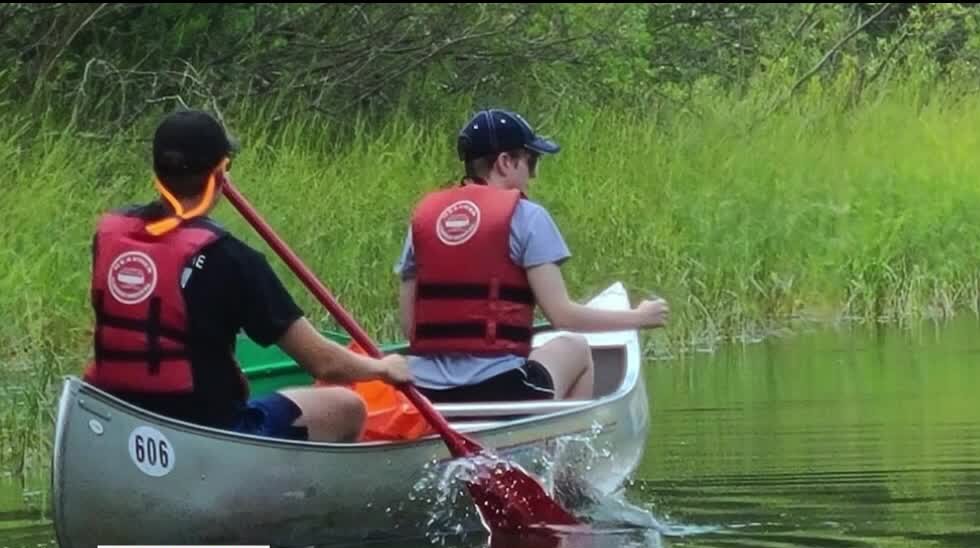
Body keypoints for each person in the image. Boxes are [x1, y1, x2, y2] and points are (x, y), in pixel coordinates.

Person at [84, 108, 411, 442]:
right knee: (346, 405)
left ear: (157, 170)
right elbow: (324, 364)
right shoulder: (231, 258)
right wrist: (383, 368)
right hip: (208, 433)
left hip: (121, 419)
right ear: (220, 172)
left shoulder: (109, 236)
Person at [394, 108, 668, 403]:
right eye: (531, 161)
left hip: (426, 396)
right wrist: (638, 318)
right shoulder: (527, 217)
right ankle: (563, 446)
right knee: (576, 348)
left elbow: (411, 328)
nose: (534, 174)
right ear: (505, 162)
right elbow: (563, 316)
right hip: (500, 389)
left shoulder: (422, 221)